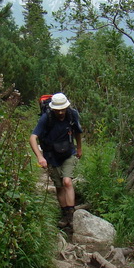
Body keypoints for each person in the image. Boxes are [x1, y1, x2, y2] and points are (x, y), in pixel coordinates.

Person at [29, 92, 83, 229]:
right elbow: (33, 137)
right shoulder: (46, 118)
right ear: (53, 109)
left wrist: (79, 149)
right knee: (59, 187)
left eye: (63, 109)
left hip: (68, 153)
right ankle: (65, 214)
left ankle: (71, 215)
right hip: (51, 155)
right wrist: (40, 157)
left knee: (67, 181)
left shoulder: (72, 114)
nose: (61, 113)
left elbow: (77, 132)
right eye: (58, 110)